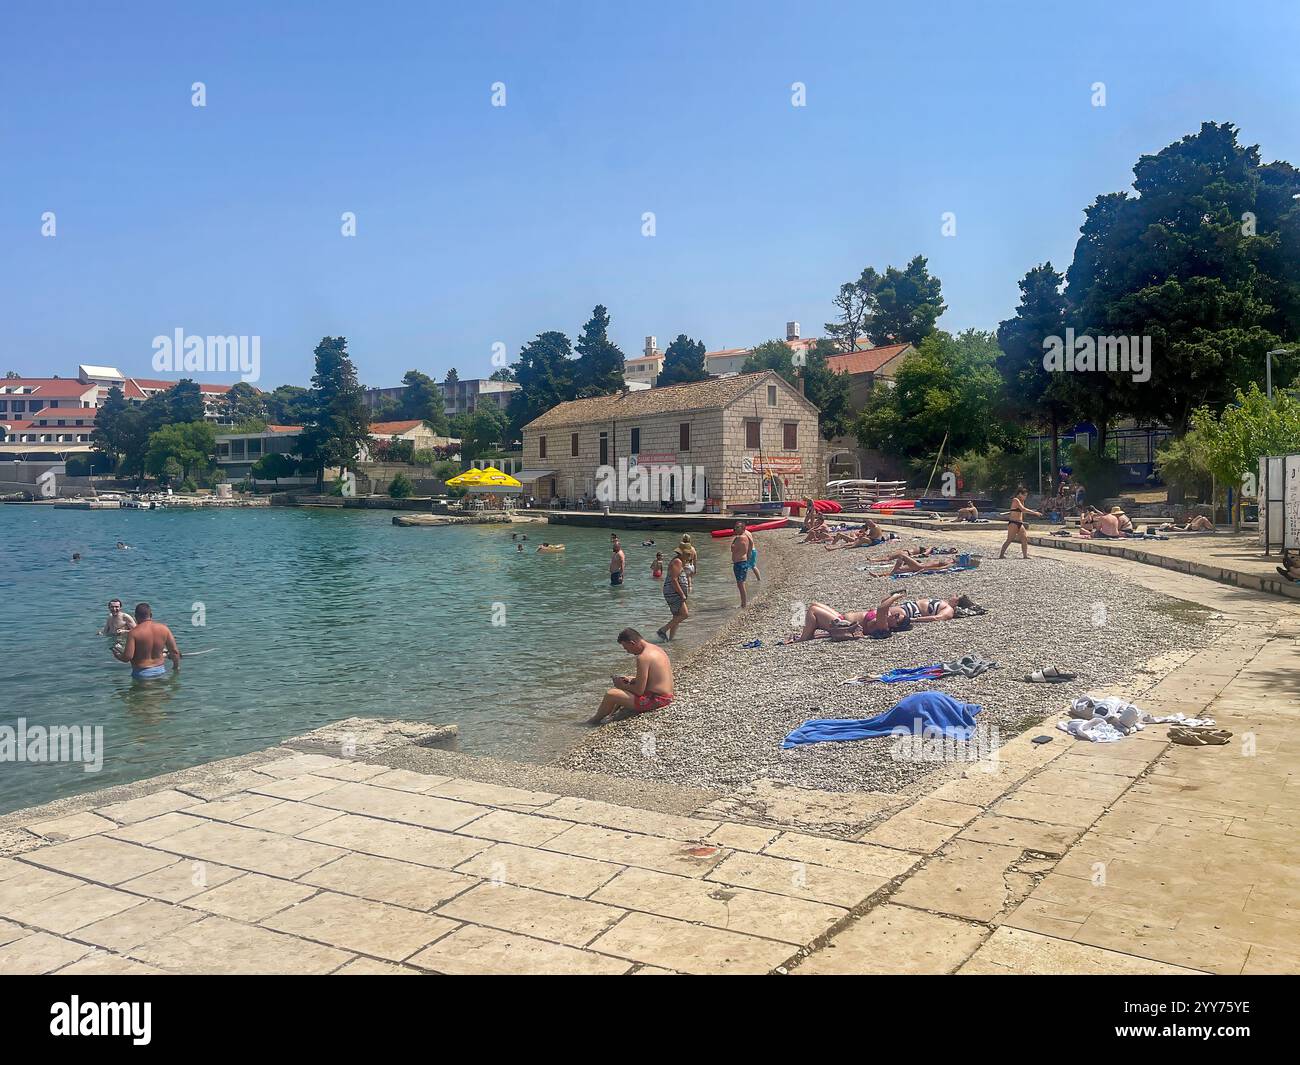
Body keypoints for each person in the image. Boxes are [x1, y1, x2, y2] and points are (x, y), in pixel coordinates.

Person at [588, 628, 675, 724]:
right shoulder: (656, 649)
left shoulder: (643, 657)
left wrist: (621, 685)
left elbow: (639, 691)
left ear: (632, 643)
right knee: (626, 683)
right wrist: (633, 679)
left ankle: (594, 721)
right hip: (667, 696)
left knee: (611, 694)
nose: (628, 652)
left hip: (658, 700)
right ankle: (610, 715)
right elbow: (654, 678)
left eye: (626, 648)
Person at [113, 602, 181, 679]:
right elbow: (175, 652)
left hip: (141, 674)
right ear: (151, 615)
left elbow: (127, 657)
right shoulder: (164, 629)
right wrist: (176, 667)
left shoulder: (134, 633)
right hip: (160, 671)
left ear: (135, 617)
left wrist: (117, 655)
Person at [998, 487, 1041, 559]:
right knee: (1009, 539)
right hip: (1013, 523)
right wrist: (1034, 513)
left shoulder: (1022, 502)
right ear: (1020, 494)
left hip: (1020, 523)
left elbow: (1021, 512)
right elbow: (1023, 509)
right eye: (1025, 495)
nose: (1025, 497)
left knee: (1024, 538)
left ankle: (1025, 555)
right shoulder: (1015, 500)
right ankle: (1001, 555)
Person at [658, 549, 690, 641]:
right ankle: (662, 630)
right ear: (682, 554)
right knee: (684, 615)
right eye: (687, 554)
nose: (689, 556)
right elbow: (674, 579)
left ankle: (671, 641)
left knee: (676, 617)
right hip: (673, 592)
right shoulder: (677, 561)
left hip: (673, 592)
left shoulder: (679, 561)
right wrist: (682, 594)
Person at [730, 521, 755, 606]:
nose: (735, 529)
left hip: (740, 563)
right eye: (735, 527)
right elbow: (750, 545)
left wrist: (733, 544)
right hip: (741, 562)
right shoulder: (744, 536)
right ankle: (743, 602)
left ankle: (744, 603)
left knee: (741, 584)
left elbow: (733, 549)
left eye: (737, 527)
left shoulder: (740, 538)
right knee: (740, 583)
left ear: (743, 528)